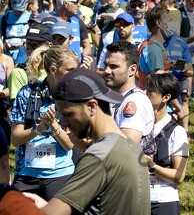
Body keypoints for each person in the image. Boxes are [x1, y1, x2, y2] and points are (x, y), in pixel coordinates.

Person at [26, 68, 151, 214]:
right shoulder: (131, 148)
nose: (64, 123)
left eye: (68, 114)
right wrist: (48, 205)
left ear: (92, 107)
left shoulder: (99, 156)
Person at [10, 46, 78, 200]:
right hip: (26, 174)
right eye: (70, 70)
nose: (75, 74)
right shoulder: (26, 93)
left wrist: (54, 126)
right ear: (54, 69)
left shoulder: (74, 96)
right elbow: (15, 139)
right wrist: (39, 128)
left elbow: (70, 145)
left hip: (59, 174)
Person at [145, 73, 189, 215]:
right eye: (145, 89)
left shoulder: (179, 132)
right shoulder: (138, 127)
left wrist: (152, 167)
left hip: (164, 203)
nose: (145, 94)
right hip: (137, 200)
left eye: (150, 91)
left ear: (166, 97)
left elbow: (179, 176)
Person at [103, 40, 154, 145]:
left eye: (113, 67)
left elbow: (127, 148)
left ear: (132, 69)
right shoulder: (111, 98)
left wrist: (89, 144)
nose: (106, 71)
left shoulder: (135, 101)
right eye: (106, 65)